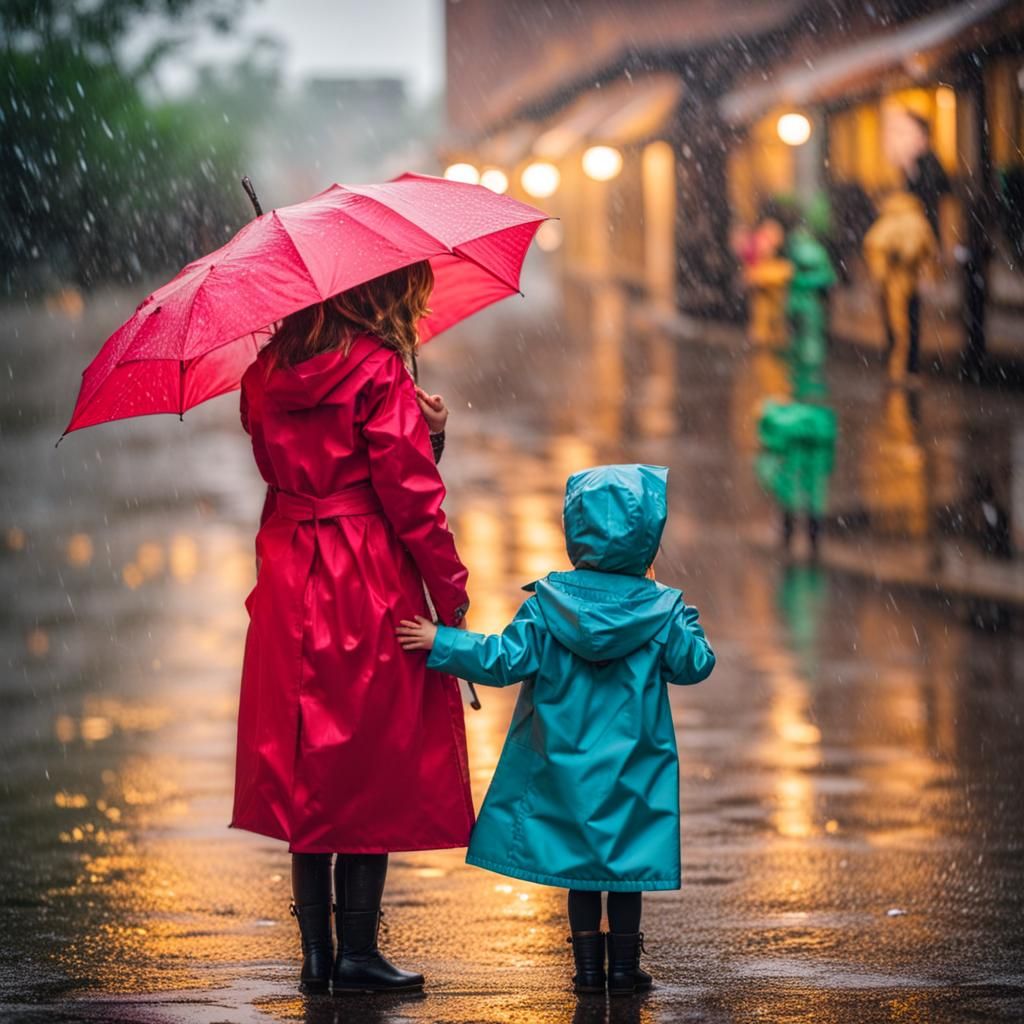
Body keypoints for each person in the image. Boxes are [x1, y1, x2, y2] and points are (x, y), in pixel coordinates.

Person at [232, 260, 475, 995]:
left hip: (289, 574)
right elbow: (409, 498)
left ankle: (315, 954)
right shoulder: (376, 370)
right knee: (369, 760)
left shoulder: (265, 372)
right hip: (367, 574)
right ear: (382, 296)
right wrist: (450, 597)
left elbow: (277, 463)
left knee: (307, 763)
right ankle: (359, 951)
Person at [397, 464, 715, 995]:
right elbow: (696, 663)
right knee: (624, 870)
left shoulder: (549, 605)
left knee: (581, 874)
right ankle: (624, 967)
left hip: (565, 769)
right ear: (648, 538)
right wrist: (678, 612)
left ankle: (588, 970)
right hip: (634, 771)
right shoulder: (661, 612)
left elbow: (502, 661)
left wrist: (440, 641)